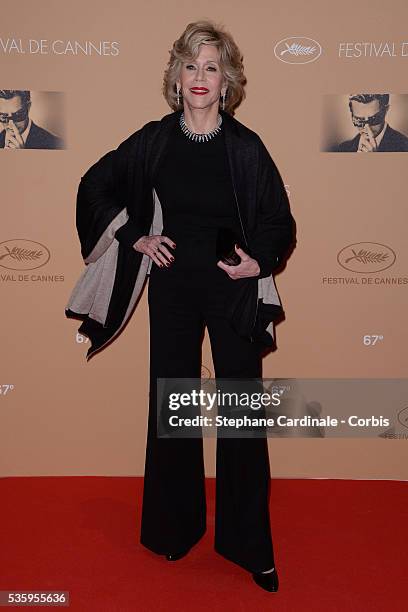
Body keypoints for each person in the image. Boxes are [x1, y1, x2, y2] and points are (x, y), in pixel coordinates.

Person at [65, 20, 295, 593]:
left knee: (242, 415)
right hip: (171, 290)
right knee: (174, 410)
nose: (200, 77)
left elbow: (279, 223)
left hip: (232, 289)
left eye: (211, 67)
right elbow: (94, 186)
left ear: (227, 81)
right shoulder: (154, 140)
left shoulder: (246, 147)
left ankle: (250, 545)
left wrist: (257, 263)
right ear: (177, 76)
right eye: (191, 65)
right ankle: (175, 529)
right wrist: (135, 235)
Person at [334, 93, 408, 152]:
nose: (367, 128)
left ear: (386, 110)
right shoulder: (343, 148)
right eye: (359, 120)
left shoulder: (405, 146)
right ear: (352, 114)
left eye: (374, 119)